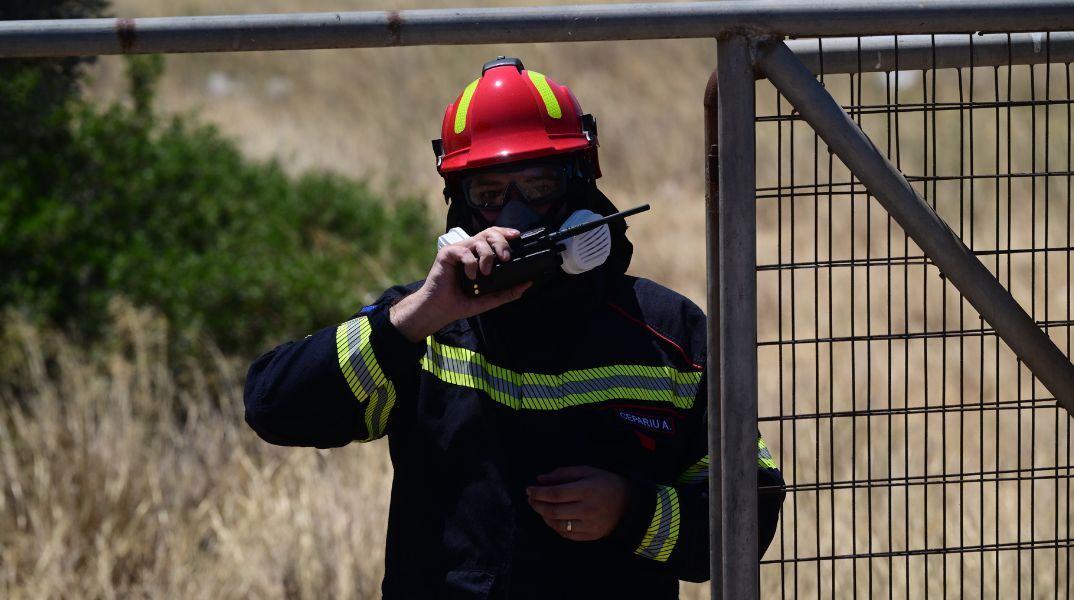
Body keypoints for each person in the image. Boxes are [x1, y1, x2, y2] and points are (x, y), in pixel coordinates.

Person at [244, 56, 784, 599]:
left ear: (581, 187)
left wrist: (632, 510)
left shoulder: (669, 334)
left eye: (538, 185)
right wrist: (417, 316)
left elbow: (750, 510)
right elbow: (273, 407)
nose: (516, 215)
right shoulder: (421, 327)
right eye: (490, 194)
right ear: (459, 207)